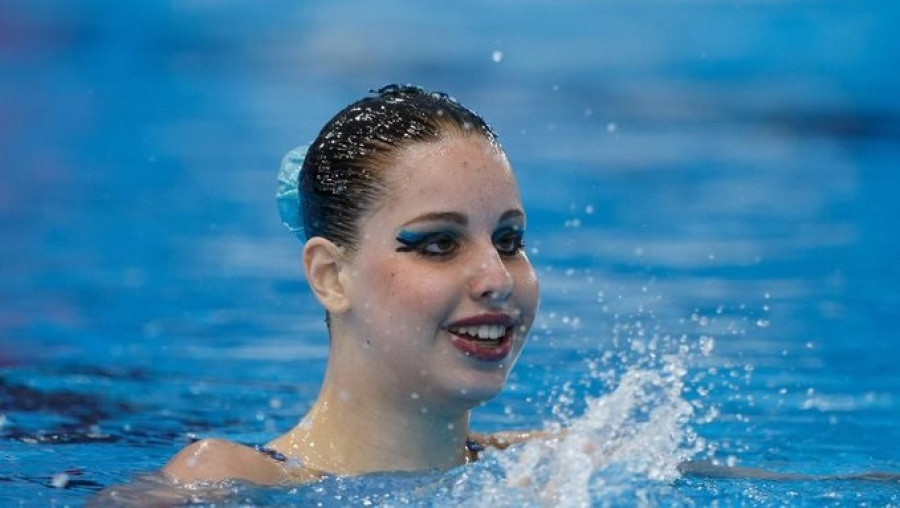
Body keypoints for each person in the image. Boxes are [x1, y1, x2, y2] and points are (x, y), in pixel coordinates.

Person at [162, 84, 541, 485]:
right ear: (332, 276)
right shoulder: (224, 483)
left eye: (508, 242)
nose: (497, 279)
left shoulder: (547, 467)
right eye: (440, 243)